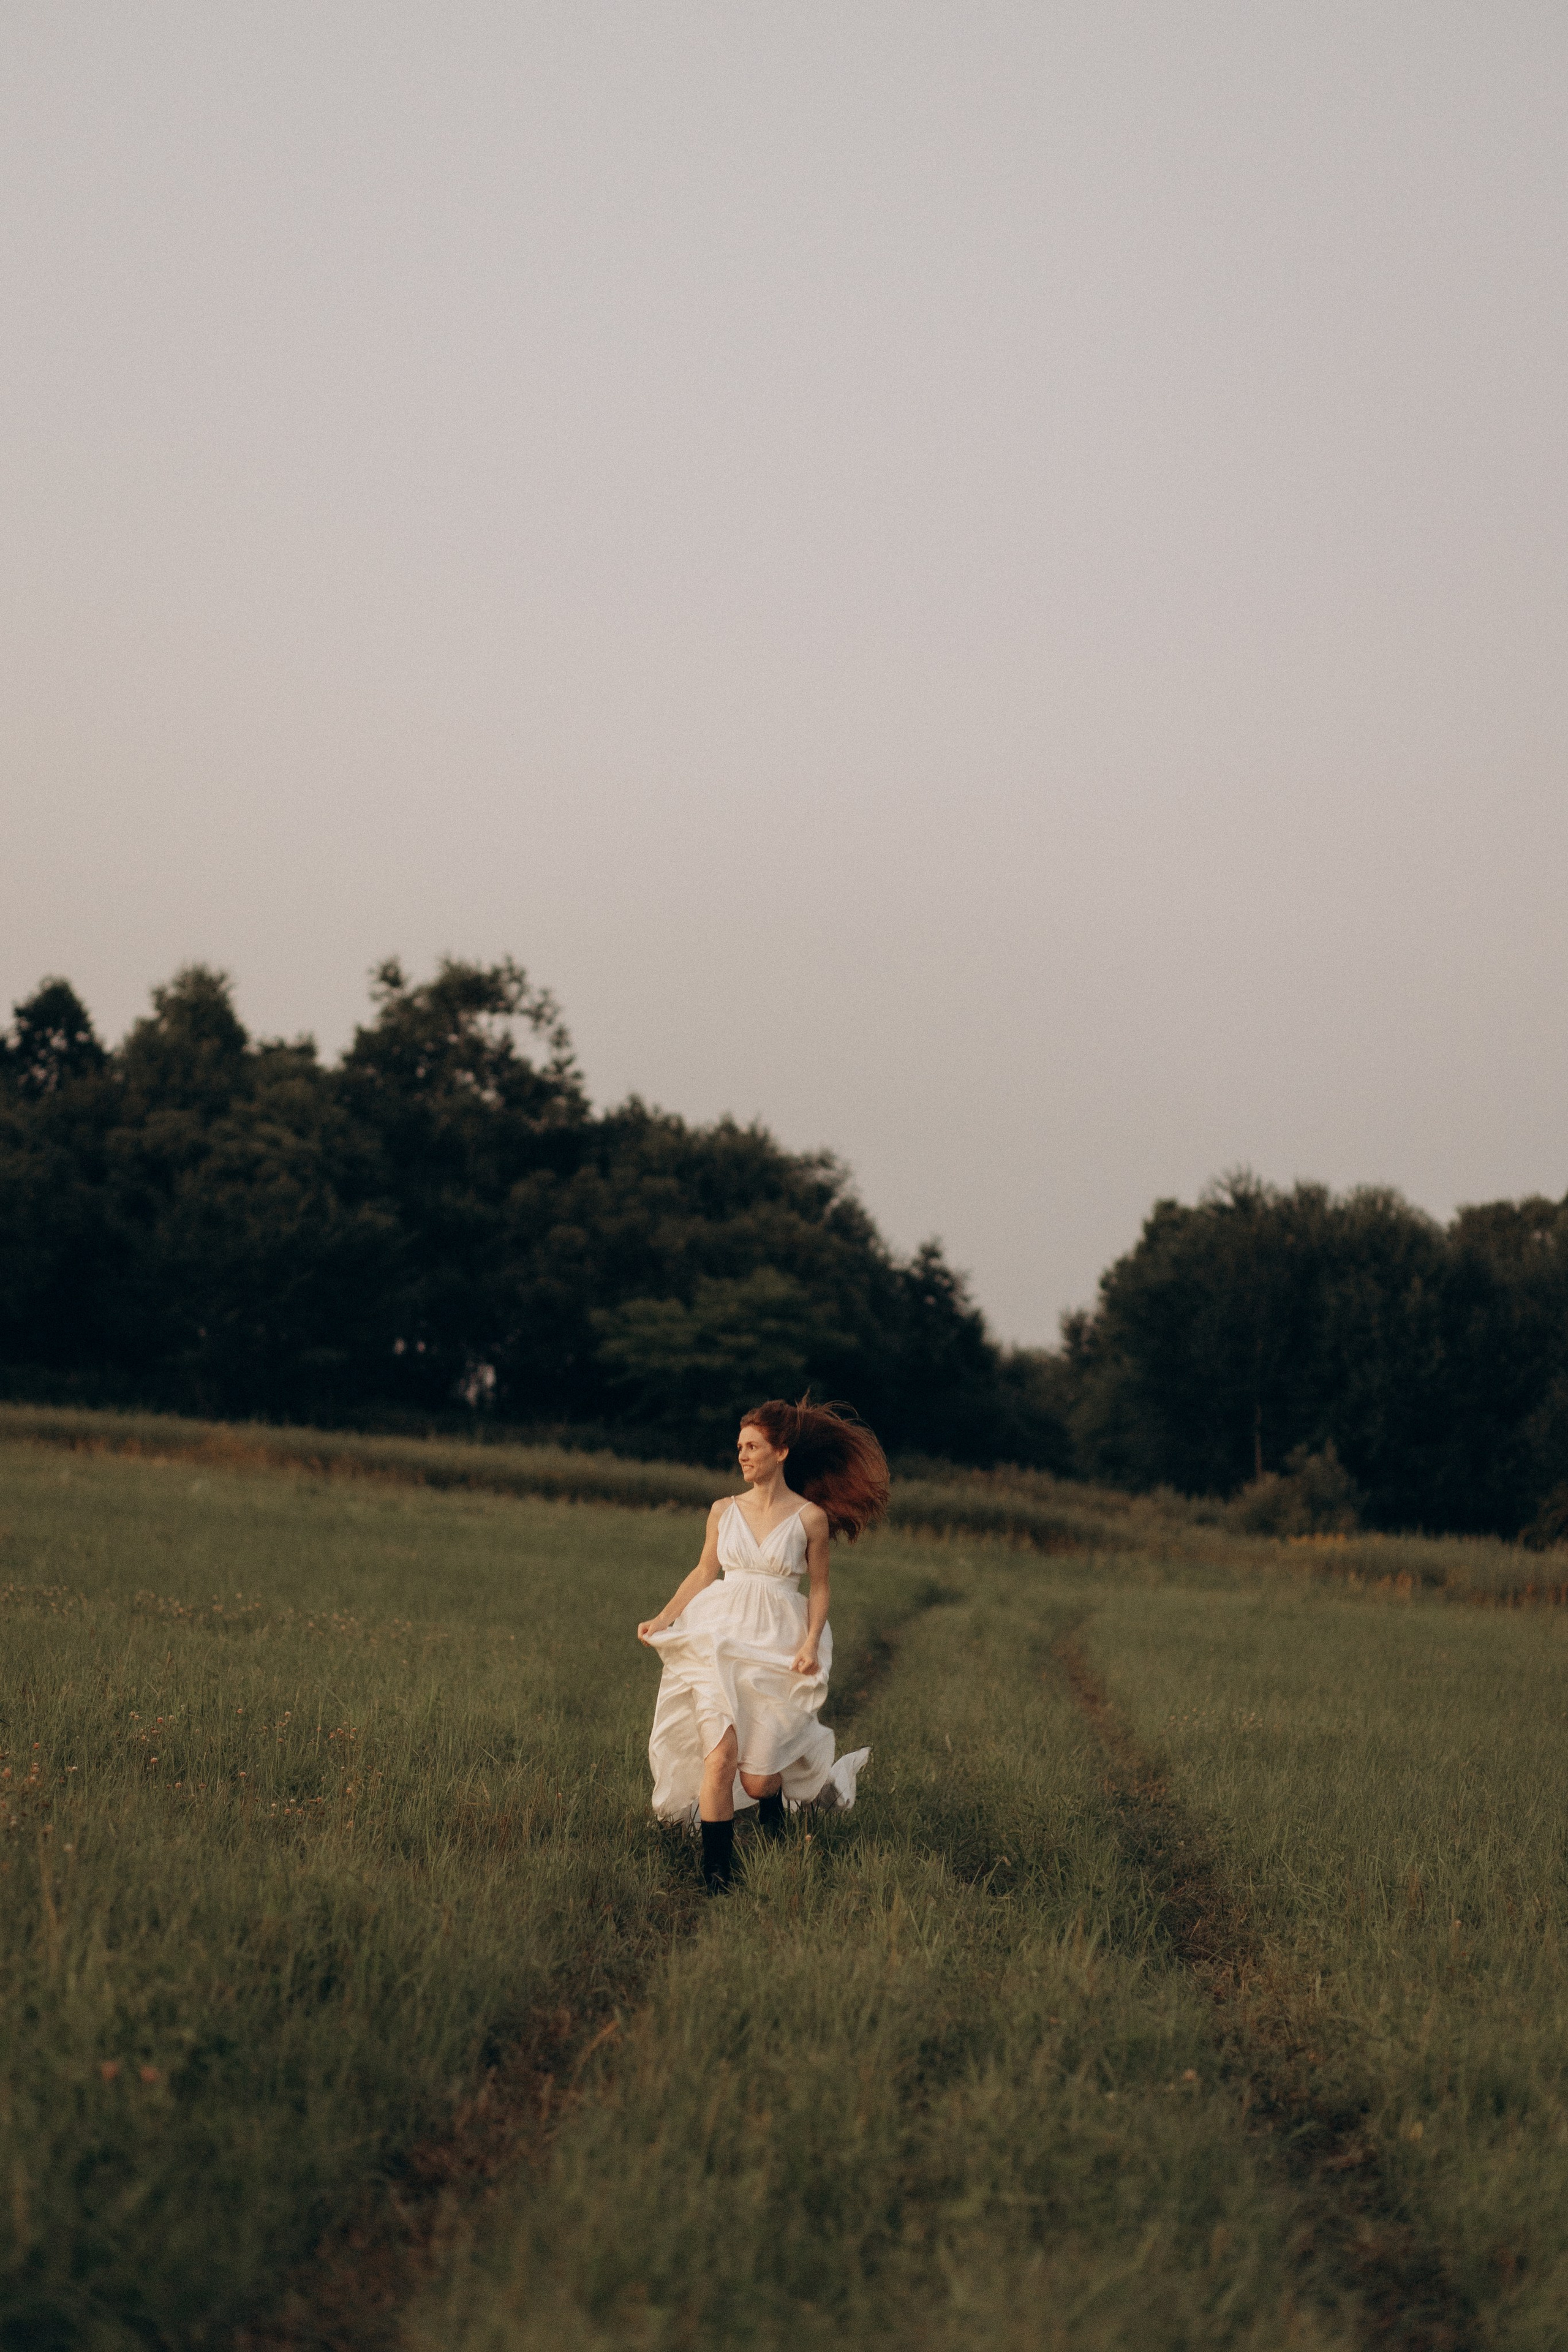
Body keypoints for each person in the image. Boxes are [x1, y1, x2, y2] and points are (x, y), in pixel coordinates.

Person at [638, 1397, 890, 1892]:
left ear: (782, 1452)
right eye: (739, 1448)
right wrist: (665, 1617)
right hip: (720, 1639)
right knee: (720, 1758)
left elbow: (818, 1587)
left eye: (753, 1446)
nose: (742, 1456)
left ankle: (775, 1822)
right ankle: (718, 1878)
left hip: (777, 1643)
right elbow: (705, 1570)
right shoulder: (722, 1511)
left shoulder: (810, 1519)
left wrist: (813, 1642)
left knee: (756, 1779)